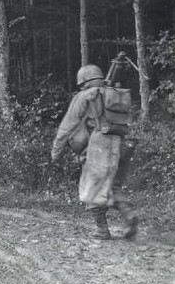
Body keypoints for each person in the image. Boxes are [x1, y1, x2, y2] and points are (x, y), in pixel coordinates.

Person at [51, 64, 138, 240]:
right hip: (123, 143)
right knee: (112, 185)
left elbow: (67, 127)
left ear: (83, 81)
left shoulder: (85, 96)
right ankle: (129, 215)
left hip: (100, 145)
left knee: (92, 186)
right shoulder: (113, 93)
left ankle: (102, 229)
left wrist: (56, 151)